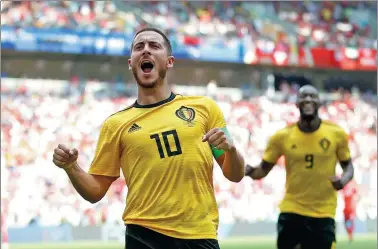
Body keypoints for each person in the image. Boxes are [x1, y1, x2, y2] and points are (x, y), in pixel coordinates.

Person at [52, 27, 245, 249]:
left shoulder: (204, 108)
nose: (146, 51)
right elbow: (95, 191)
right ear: (130, 62)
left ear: (169, 61)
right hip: (144, 236)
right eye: (138, 47)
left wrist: (231, 150)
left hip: (199, 235)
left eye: (154, 46)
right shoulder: (115, 124)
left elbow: (235, 174)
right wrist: (71, 167)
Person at [245, 85, 354, 249]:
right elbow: (262, 170)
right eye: (303, 96)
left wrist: (343, 180)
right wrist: (247, 171)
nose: (308, 99)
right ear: (296, 103)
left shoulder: (336, 133)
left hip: (323, 213)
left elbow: (349, 168)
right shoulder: (282, 136)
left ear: (319, 102)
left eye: (312, 96)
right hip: (292, 210)